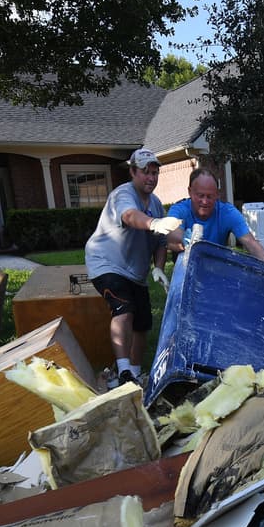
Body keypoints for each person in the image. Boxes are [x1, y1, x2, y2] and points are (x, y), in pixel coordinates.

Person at [84, 148, 182, 388]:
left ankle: (135, 376)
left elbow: (160, 241)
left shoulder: (156, 203)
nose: (151, 178)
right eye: (145, 172)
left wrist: (158, 267)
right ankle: (124, 370)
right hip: (106, 263)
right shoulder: (123, 194)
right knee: (124, 310)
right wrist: (153, 222)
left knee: (143, 323)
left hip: (135, 273)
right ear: (133, 172)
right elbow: (129, 216)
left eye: (155, 173)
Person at [167, 167, 264, 261]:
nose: (205, 201)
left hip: (215, 268)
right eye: (200, 195)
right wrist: (186, 239)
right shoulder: (179, 209)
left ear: (217, 194)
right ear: (190, 192)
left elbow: (251, 243)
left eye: (210, 196)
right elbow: (171, 235)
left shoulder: (227, 212)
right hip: (184, 270)